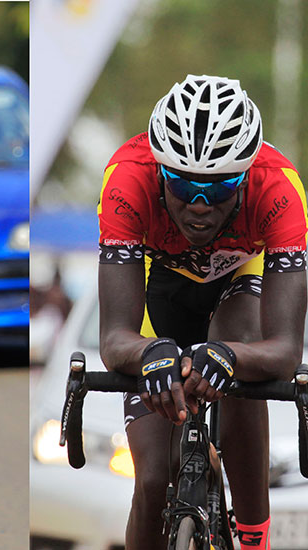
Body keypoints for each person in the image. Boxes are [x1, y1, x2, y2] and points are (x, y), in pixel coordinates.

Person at [97, 74, 307, 550]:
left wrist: (232, 357)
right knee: (153, 481)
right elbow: (115, 338)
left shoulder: (279, 190)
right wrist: (150, 353)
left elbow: (285, 350)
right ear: (158, 171)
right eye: (181, 185)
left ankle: (254, 537)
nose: (198, 206)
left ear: (247, 176)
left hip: (239, 288)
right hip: (161, 293)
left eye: (217, 190)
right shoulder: (127, 178)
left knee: (238, 350)